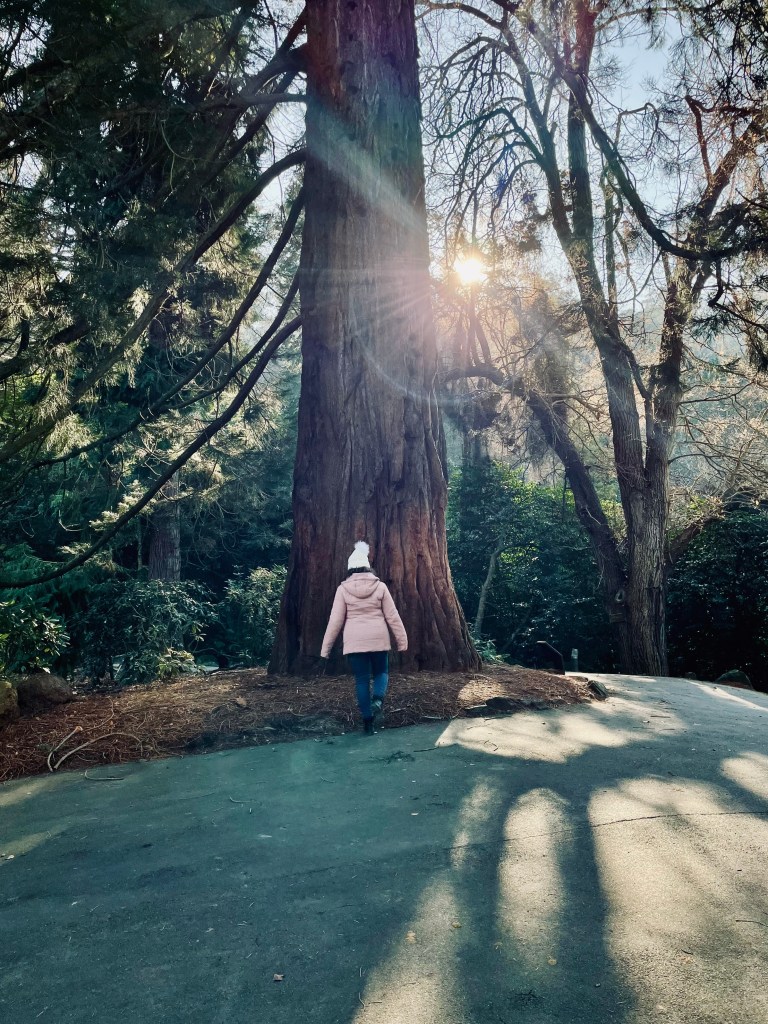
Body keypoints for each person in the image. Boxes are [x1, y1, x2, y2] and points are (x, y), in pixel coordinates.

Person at [320, 540, 408, 735]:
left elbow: (335, 621)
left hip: (354, 641)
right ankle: (378, 698)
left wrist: (325, 650)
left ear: (350, 569)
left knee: (361, 680)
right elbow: (392, 616)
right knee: (381, 672)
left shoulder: (343, 589)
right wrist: (402, 640)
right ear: (368, 567)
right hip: (378, 638)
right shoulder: (380, 587)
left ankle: (368, 723)